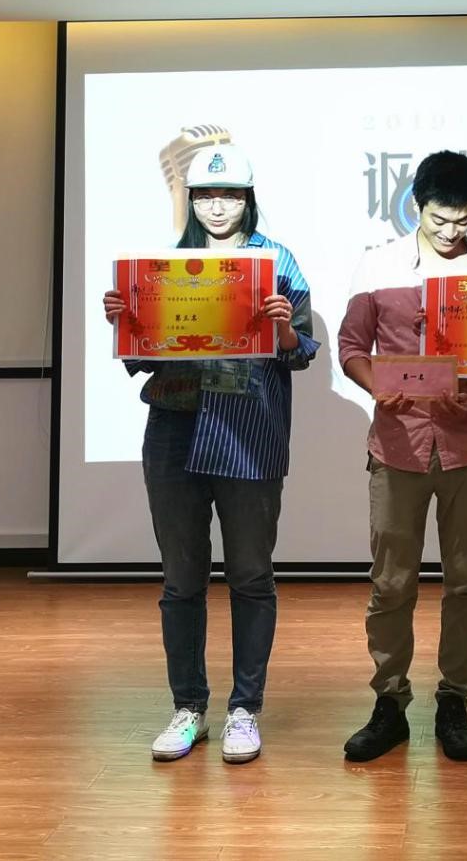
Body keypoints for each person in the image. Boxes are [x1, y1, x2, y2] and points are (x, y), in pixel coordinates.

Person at [102, 142, 320, 764]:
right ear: (192, 201)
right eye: (205, 197)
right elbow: (143, 357)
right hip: (175, 427)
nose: (217, 207)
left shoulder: (278, 262)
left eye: (229, 196)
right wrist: (125, 322)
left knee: (250, 574)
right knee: (181, 579)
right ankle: (188, 708)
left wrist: (284, 328)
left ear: (247, 198)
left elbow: (303, 350)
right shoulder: (166, 268)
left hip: (249, 430)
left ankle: (244, 709)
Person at [337, 150, 467, 763]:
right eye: (439, 218)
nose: (450, 230)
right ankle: (389, 702)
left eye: (463, 219)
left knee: (466, 582)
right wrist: (374, 386)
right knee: (390, 584)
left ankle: (454, 701)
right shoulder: (378, 264)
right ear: (416, 205)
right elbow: (351, 346)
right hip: (396, 446)